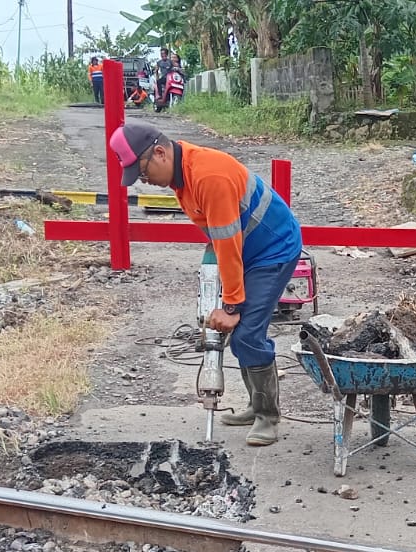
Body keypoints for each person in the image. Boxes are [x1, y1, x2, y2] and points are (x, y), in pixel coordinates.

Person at [109, 123, 303, 446]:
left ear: (160, 152)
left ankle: (268, 416)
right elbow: (219, 235)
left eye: (143, 173)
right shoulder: (182, 175)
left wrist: (230, 305)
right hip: (248, 249)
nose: (145, 182)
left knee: (246, 333)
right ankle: (256, 406)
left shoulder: (208, 176)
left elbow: (227, 241)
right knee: (241, 335)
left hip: (274, 248)